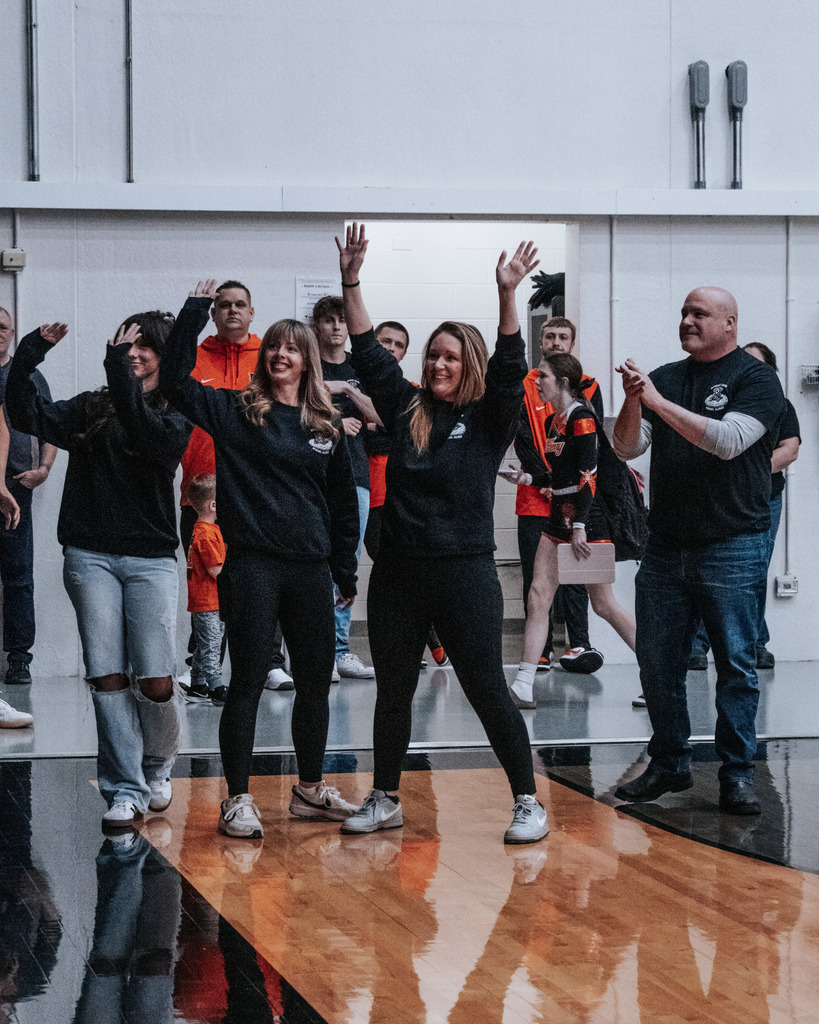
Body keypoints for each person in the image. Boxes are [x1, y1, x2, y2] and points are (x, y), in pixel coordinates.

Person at [336, 223, 549, 845]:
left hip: (464, 573)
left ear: (470, 364)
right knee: (394, 689)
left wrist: (508, 295)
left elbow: (513, 369)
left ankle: (528, 800)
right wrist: (352, 279)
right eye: (432, 354)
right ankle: (386, 796)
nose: (437, 363)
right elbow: (366, 349)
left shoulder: (487, 418)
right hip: (400, 572)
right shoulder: (405, 409)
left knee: (485, 686)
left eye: (450, 356)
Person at [159, 286, 361, 840]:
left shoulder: (326, 425)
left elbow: (344, 505)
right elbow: (176, 382)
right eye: (274, 347)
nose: (281, 356)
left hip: (310, 569)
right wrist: (191, 312)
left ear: (307, 360)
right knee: (247, 678)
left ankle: (311, 788)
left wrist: (345, 572)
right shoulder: (235, 411)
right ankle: (238, 797)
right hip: (253, 567)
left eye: (292, 349)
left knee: (315, 680)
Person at [6, 301, 199, 828]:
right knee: (107, 676)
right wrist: (29, 355)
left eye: (143, 347)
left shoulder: (174, 412)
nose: (132, 354)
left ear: (163, 357)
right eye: (124, 345)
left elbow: (147, 438)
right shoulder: (91, 406)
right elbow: (25, 413)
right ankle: (124, 787)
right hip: (89, 556)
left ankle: (158, 766)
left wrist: (119, 373)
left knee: (156, 679)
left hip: (151, 560)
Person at [611, 287, 786, 815]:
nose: (686, 320)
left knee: (735, 665)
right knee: (658, 660)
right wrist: (635, 400)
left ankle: (736, 774)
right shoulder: (665, 376)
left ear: (730, 322)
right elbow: (625, 447)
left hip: (733, 542)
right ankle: (669, 764)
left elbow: (729, 441)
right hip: (665, 546)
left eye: (699, 313)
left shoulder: (757, 380)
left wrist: (658, 403)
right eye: (684, 312)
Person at [178, 281, 292, 691]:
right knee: (206, 583)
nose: (231, 311)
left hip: (254, 492)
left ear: (252, 311)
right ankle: (201, 665)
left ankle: (270, 662)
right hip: (198, 492)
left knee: (262, 579)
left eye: (240, 304)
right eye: (223, 305)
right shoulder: (193, 359)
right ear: (212, 313)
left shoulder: (270, 358)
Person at [506, 353, 636, 709]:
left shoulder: (582, 419)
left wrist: (580, 525)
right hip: (556, 520)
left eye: (544, 376)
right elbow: (556, 478)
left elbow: (588, 476)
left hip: (586, 522)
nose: (536, 381)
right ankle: (523, 683)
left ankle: (659, 674)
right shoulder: (554, 422)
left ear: (563, 383)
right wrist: (526, 477)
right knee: (538, 595)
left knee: (605, 604)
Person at [687, 341, 800, 672]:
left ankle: (754, 643)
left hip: (764, 499)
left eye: (755, 364)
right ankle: (698, 644)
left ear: (769, 370)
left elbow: (789, 450)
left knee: (752, 571)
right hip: (713, 499)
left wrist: (744, 472)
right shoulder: (718, 402)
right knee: (707, 569)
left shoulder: (780, 404)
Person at [513, 316, 605, 674]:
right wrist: (541, 479)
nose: (555, 341)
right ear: (541, 342)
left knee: (578, 580)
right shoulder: (526, 386)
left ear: (571, 343)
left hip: (574, 501)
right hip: (537, 498)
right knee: (535, 580)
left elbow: (591, 451)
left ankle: (579, 644)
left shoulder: (586, 392)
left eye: (562, 336)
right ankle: (540, 653)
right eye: (549, 336)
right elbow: (522, 437)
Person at [364, 320, 448, 667]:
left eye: (399, 345)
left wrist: (375, 426)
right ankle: (424, 640)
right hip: (358, 493)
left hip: (393, 496)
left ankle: (427, 639)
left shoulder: (411, 392)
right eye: (386, 341)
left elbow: (400, 435)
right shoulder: (354, 382)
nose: (392, 349)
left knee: (396, 569)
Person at [315, 294, 378, 679]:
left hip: (355, 475)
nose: (337, 326)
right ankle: (316, 648)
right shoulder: (305, 366)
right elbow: (293, 414)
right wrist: (336, 423)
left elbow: (379, 416)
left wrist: (351, 392)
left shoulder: (361, 368)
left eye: (342, 319)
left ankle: (339, 650)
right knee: (313, 564)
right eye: (329, 320)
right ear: (317, 325)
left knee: (346, 565)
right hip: (313, 476)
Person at [0, 305, 58, 686]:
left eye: (2, 326)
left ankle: (19, 658)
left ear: (13, 330)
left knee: (18, 574)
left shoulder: (30, 376)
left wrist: (44, 468)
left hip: (18, 484)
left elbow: (53, 423)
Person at [184, 474, 227, 704]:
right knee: (212, 645)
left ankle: (197, 683)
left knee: (204, 643)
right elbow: (215, 570)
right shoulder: (207, 534)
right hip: (208, 601)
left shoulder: (203, 530)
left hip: (207, 601)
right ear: (213, 504)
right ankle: (216, 686)